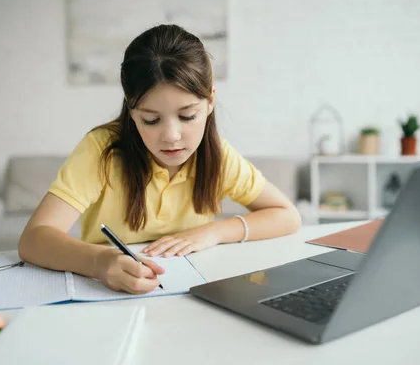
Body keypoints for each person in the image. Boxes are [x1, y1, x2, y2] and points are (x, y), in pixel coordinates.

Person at [18, 24, 302, 295]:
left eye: (187, 116)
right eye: (151, 120)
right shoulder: (101, 151)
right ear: (131, 110)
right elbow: (33, 239)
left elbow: (288, 216)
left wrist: (214, 232)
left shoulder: (216, 154)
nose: (171, 136)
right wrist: (100, 262)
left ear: (210, 101)